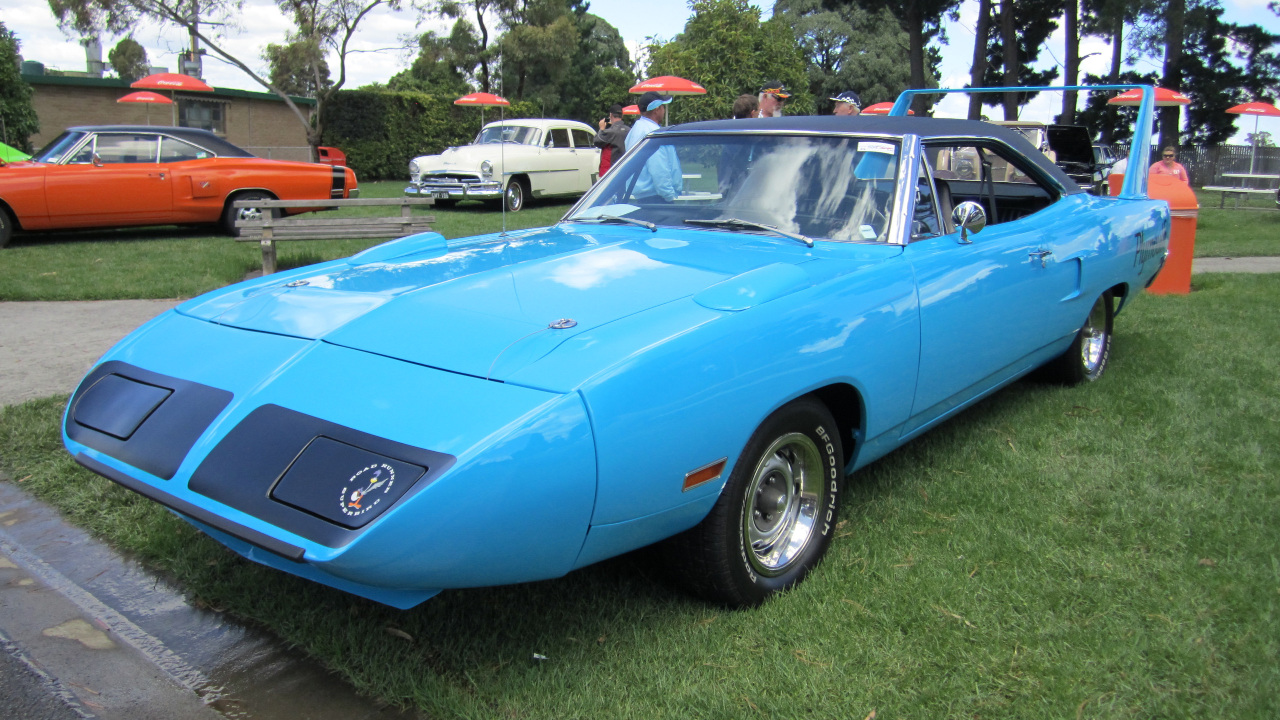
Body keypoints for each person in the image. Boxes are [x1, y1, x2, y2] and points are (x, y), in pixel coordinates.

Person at [625, 91, 683, 201]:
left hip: (640, 196)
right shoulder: (654, 133)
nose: (664, 110)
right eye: (663, 107)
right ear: (657, 109)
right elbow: (659, 168)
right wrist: (669, 196)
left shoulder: (635, 130)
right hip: (656, 197)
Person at [594, 103, 630, 176]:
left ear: (611, 115)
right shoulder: (629, 130)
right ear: (622, 115)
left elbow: (597, 141)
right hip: (626, 168)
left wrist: (601, 129)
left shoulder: (610, 132)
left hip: (612, 170)